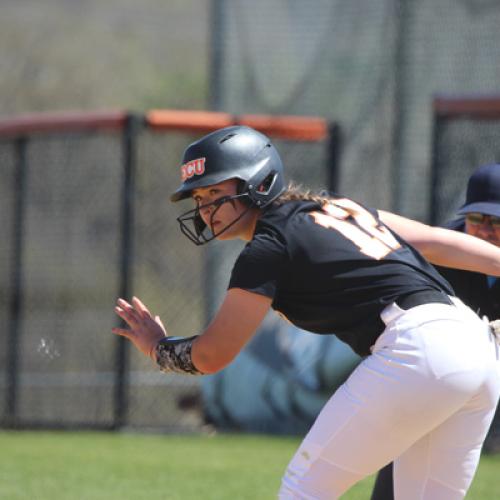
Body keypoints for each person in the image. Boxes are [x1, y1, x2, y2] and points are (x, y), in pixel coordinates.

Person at [112, 126, 500, 499]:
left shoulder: (268, 245)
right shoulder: (338, 208)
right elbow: (436, 242)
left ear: (258, 183)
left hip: (421, 348)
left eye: (215, 190)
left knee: (304, 488)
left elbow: (213, 354)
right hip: (477, 349)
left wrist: (158, 347)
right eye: (198, 198)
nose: (206, 207)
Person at [370, 163, 500, 500]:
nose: (485, 231)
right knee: (408, 445)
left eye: (497, 221)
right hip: (442, 371)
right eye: (477, 219)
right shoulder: (442, 253)